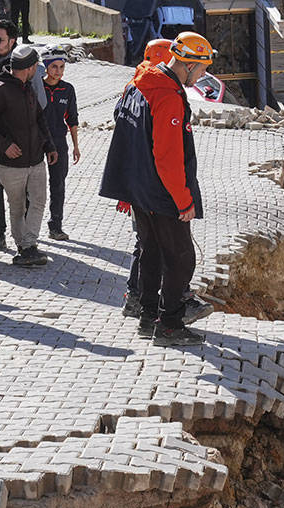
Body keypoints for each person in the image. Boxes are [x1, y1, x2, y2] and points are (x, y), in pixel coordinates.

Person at [100, 32, 215, 346]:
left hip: (139, 187)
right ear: (188, 65)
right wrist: (184, 200)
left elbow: (127, 138)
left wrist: (127, 188)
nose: (203, 75)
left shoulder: (138, 84)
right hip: (161, 191)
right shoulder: (167, 96)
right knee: (180, 258)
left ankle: (148, 317)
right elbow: (167, 156)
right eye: (202, 68)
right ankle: (170, 325)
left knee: (150, 253)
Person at [0, 19, 46, 252]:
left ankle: (24, 240)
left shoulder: (27, 67)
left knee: (23, 195)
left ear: (12, 41)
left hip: (20, 145)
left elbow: (40, 106)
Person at [0, 45, 55, 267]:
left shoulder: (27, 87)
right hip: (11, 164)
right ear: (29, 67)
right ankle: (24, 248)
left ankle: (28, 245)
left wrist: (50, 146)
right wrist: (4, 145)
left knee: (38, 201)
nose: (37, 70)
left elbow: (40, 119)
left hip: (36, 159)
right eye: (36, 67)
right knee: (17, 206)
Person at [120, 37, 176, 319]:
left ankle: (137, 296)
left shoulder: (133, 86)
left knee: (145, 243)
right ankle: (136, 296)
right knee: (148, 244)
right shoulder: (150, 88)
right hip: (148, 183)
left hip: (136, 181)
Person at [40, 51, 78, 241]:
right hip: (38, 142)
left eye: (62, 67)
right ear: (46, 66)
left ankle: (55, 226)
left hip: (59, 142)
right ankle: (28, 228)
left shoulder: (68, 89)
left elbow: (72, 119)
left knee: (58, 185)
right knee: (33, 187)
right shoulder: (36, 86)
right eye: (54, 66)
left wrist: (76, 146)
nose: (58, 71)